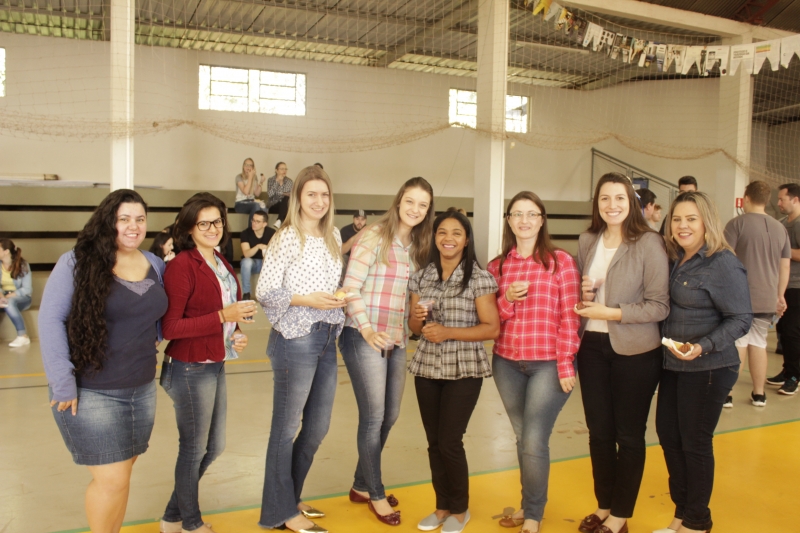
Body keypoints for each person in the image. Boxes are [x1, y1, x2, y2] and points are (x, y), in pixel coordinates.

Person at [39, 189, 168, 533]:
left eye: (139, 219)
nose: (133, 226)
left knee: (122, 477)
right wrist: (62, 382)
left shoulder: (154, 263)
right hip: (91, 390)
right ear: (107, 221)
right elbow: (50, 319)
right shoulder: (77, 261)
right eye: (123, 219)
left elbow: (161, 316)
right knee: (111, 480)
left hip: (140, 389)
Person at [573, 173, 669, 533]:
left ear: (631, 202)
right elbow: (582, 295)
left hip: (636, 351)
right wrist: (585, 296)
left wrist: (610, 312)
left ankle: (619, 516)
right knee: (598, 432)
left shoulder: (649, 242)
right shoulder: (588, 240)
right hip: (592, 348)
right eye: (604, 198)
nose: (611, 205)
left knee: (628, 435)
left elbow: (659, 306)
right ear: (596, 203)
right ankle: (604, 506)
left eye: (619, 198)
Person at [339, 178, 435, 526]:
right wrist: (366, 328)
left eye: (422, 205)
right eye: (410, 201)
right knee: (373, 417)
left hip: (395, 338)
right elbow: (350, 288)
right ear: (398, 202)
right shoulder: (374, 236)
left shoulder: (417, 247)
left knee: (390, 415)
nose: (415, 209)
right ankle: (375, 493)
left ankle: (361, 485)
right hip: (363, 335)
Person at [655, 191, 752, 533]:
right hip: (674, 365)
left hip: (709, 367)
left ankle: (697, 522)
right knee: (669, 436)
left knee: (694, 442)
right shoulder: (675, 258)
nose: (683, 226)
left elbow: (741, 318)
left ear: (706, 221)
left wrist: (703, 346)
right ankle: (681, 515)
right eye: (677, 219)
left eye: (691, 219)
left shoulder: (721, 262)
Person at [256, 166, 346, 533]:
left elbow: (328, 284)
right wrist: (306, 299)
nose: (319, 201)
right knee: (287, 428)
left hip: (327, 335)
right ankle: (280, 513)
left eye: (324, 195)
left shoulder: (334, 235)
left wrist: (339, 297)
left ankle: (288, 497)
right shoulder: (287, 236)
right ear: (298, 198)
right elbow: (265, 291)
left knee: (318, 426)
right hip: (295, 338)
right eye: (311, 194)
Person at [159, 193, 254, 533]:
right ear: (189, 228)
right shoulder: (182, 266)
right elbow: (170, 328)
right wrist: (223, 317)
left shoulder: (220, 261)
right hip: (189, 367)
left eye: (217, 222)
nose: (213, 228)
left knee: (214, 446)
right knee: (194, 449)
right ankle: (190, 523)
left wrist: (235, 332)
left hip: (215, 361)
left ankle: (172, 518)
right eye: (204, 223)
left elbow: (226, 312)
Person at [486, 192, 581, 533]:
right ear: (509, 221)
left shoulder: (561, 262)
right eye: (517, 214)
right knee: (522, 435)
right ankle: (529, 505)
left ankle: (533, 514)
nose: (524, 220)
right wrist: (507, 299)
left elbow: (571, 316)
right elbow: (490, 319)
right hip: (507, 363)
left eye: (531, 214)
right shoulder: (497, 267)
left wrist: (565, 363)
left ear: (542, 220)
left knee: (533, 439)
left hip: (548, 365)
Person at [408, 210, 500, 533]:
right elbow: (414, 328)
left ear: (466, 240)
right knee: (434, 442)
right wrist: (417, 317)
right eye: (442, 232)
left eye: (456, 233)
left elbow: (492, 328)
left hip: (464, 368)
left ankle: (460, 510)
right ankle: (442, 506)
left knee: (449, 441)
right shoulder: (422, 277)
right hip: (427, 367)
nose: (448, 238)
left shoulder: (479, 279)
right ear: (434, 238)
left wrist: (448, 332)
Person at [723, 180, 790, 407]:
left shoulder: (736, 224)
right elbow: (785, 266)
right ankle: (759, 394)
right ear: (767, 200)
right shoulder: (780, 228)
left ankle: (728, 394)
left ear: (747, 198)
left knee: (739, 342)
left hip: (741, 296)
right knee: (759, 342)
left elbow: (725, 259)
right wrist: (780, 295)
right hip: (768, 297)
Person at [772, 182, 800, 396]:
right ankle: (787, 369)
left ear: (795, 200)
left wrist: (783, 250)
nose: (779, 203)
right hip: (782, 286)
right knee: (782, 331)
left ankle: (794, 376)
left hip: (797, 287)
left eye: (782, 199)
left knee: (792, 332)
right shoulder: (781, 223)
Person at [0, 239, 33, 347]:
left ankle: (23, 336)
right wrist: (1, 296)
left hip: (22, 298)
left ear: (6, 251)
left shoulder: (23, 265)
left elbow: (27, 289)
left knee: (9, 302)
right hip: (3, 296)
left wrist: (7, 296)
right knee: (6, 302)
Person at [239, 210, 276, 300]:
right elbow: (246, 254)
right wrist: (258, 246)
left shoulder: (272, 233)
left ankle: (270, 293)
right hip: (252, 264)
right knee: (246, 261)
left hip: (266, 262)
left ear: (264, 224)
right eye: (253, 220)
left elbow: (276, 252)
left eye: (257, 221)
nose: (254, 223)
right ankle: (246, 293)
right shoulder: (245, 233)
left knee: (274, 263)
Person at [234, 158, 267, 224]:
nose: (248, 167)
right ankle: (252, 229)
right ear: (243, 166)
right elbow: (245, 192)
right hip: (240, 204)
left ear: (253, 167)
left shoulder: (254, 177)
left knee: (264, 208)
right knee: (256, 206)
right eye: (246, 165)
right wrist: (250, 177)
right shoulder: (239, 177)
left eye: (250, 165)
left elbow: (257, 193)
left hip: (251, 202)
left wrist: (261, 182)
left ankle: (261, 229)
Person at [266, 161, 293, 229]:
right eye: (282, 169)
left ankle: (279, 220)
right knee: (285, 199)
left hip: (285, 204)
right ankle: (283, 224)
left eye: (285, 169)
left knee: (286, 199)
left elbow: (290, 194)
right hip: (273, 204)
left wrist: (278, 192)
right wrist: (277, 182)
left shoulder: (289, 181)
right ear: (276, 170)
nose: (284, 171)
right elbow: (270, 194)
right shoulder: (271, 180)